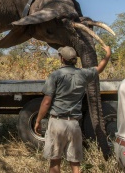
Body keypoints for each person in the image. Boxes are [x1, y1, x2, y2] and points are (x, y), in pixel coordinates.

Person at [34, 45, 112, 173]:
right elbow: (99, 69)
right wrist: (108, 54)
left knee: (55, 162)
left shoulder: (56, 75)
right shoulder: (83, 74)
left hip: (57, 122)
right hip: (74, 124)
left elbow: (46, 101)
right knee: (75, 164)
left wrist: (38, 120)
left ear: (62, 59)